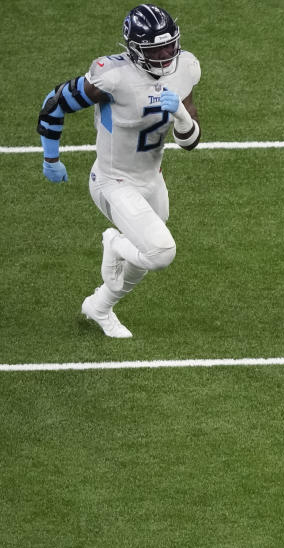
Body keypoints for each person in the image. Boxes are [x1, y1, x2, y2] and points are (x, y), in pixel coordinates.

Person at [37, 4, 201, 338]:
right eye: (157, 49)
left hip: (151, 179)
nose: (167, 54)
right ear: (136, 50)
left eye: (171, 45)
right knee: (161, 251)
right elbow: (53, 103)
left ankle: (99, 307)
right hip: (112, 180)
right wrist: (51, 159)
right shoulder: (112, 77)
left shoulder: (185, 68)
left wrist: (183, 117)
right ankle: (113, 242)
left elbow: (190, 142)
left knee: (145, 253)